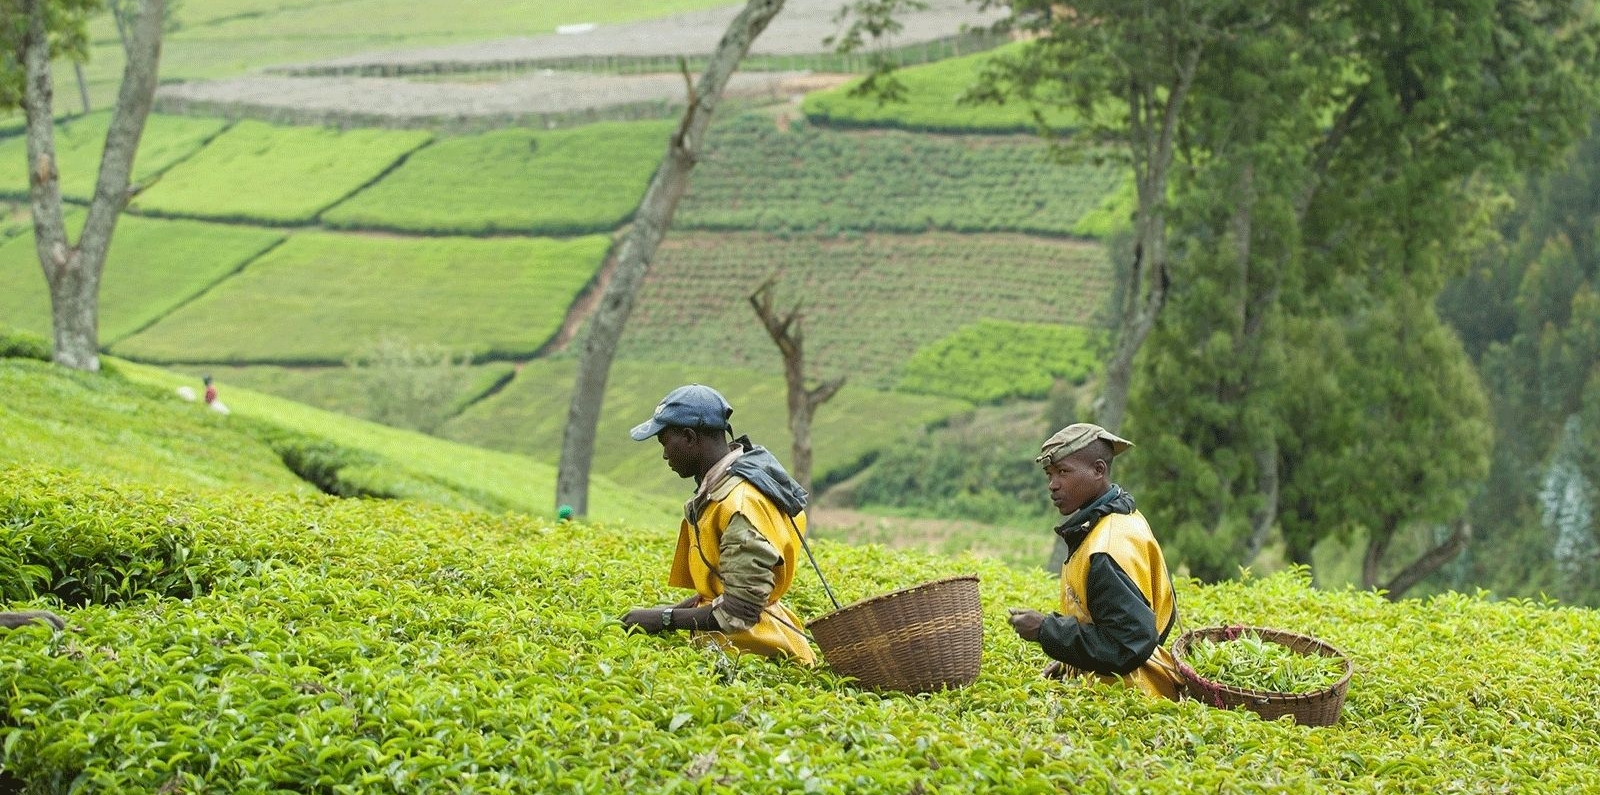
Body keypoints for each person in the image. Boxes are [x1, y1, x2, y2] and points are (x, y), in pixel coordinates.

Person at [619, 384, 816, 665]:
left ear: (689, 437)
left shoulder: (740, 504)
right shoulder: (729, 487)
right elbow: (720, 592)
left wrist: (664, 619)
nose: (664, 455)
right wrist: (659, 613)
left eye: (665, 442)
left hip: (757, 653)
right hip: (747, 643)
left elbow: (740, 611)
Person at [1006, 423, 1183, 700]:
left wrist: (1045, 630)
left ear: (1099, 470)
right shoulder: (1124, 518)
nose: (1053, 485)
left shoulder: (1106, 548)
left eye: (1063, 472)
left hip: (1131, 699)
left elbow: (1129, 643)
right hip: (1132, 689)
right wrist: (1073, 661)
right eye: (1049, 474)